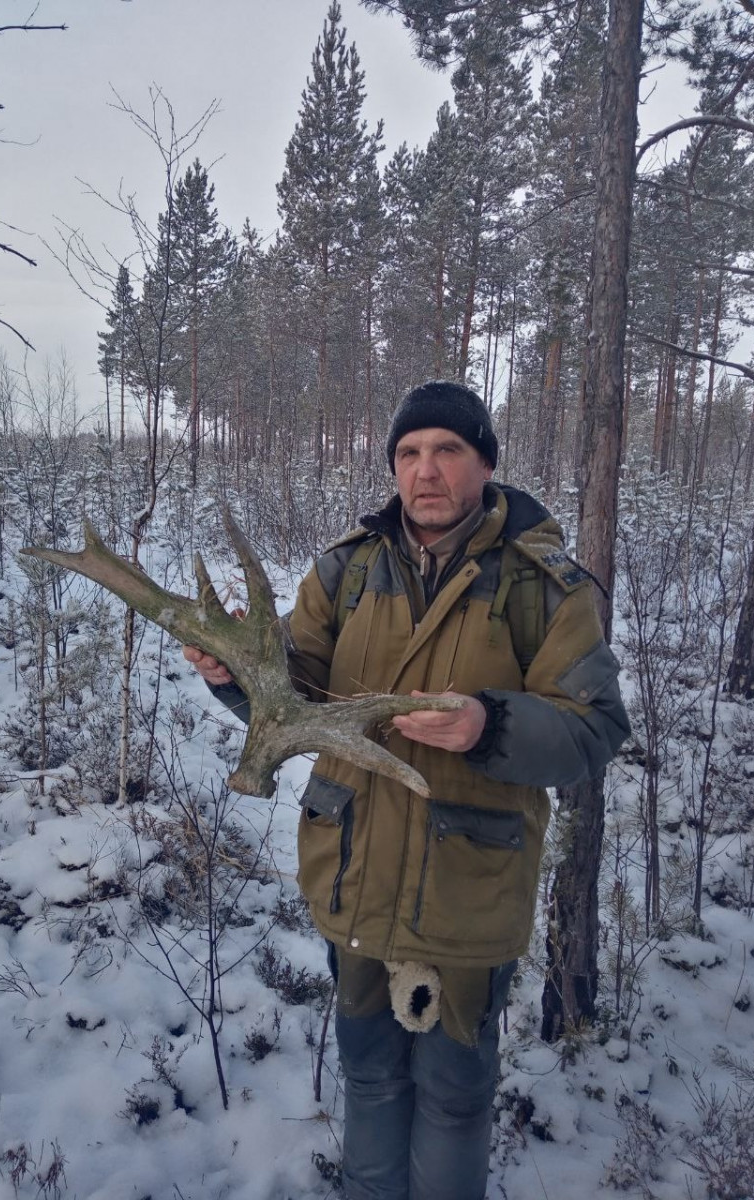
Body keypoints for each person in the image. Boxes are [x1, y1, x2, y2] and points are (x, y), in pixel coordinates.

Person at [184, 380, 629, 1200]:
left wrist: (486, 725)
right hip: (353, 879)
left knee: (457, 1096)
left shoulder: (543, 585)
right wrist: (234, 675)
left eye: (447, 450)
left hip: (470, 891)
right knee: (369, 1074)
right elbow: (289, 702)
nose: (426, 471)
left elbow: (595, 730)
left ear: (486, 463)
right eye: (409, 453)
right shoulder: (347, 570)